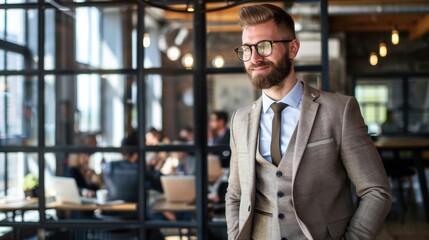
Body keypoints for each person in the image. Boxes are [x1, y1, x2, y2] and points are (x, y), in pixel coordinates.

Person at [225, 4, 392, 240]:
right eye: (247, 49)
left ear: (292, 48)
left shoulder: (339, 111)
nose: (255, 58)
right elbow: (235, 194)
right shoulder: (239, 120)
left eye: (264, 46)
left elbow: (376, 191)